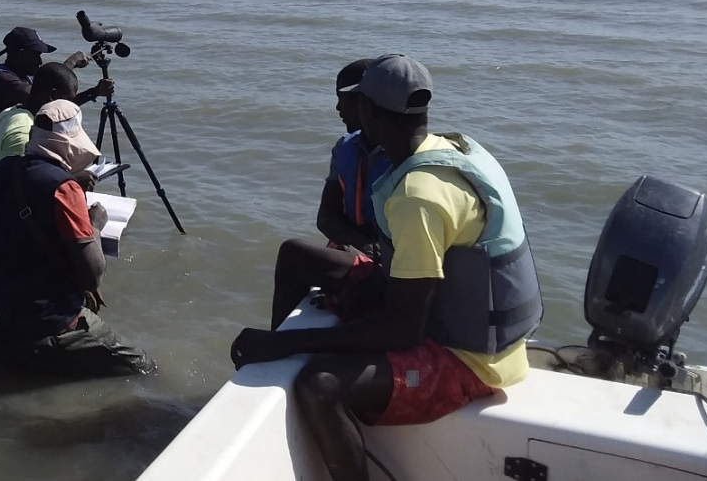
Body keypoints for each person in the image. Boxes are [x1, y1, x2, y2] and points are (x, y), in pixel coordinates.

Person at [230, 54, 543, 481]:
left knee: (318, 384)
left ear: (368, 111)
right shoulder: (455, 147)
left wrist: (287, 345)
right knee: (297, 256)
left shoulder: (418, 196)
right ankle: (272, 371)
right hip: (442, 309)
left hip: (467, 358)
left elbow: (403, 330)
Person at [0, 99, 153, 378]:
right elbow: (93, 277)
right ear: (69, 144)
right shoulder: (64, 190)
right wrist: (96, 225)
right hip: (40, 327)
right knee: (143, 368)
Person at [269, 59, 392, 328]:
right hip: (359, 252)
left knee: (293, 254)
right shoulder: (344, 149)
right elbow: (326, 217)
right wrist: (358, 242)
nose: (337, 109)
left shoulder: (401, 152)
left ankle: (277, 345)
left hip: (395, 267)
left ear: (364, 100)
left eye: (342, 99)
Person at [0, 26, 112, 193]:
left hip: (2, 156)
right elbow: (48, 103)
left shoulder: (21, 75)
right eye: (36, 55)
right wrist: (70, 64)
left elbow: (51, 101)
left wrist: (94, 92)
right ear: (20, 54)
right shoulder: (4, 80)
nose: (40, 62)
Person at [0, 62, 80, 167]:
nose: (69, 107)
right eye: (67, 101)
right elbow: (16, 179)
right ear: (52, 95)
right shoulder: (24, 133)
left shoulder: (9, 113)